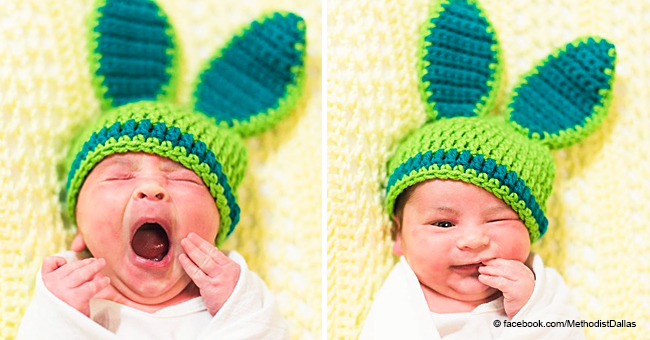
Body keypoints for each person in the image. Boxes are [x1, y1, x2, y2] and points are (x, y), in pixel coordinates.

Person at [17, 0, 307, 338]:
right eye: (120, 175)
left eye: (182, 177)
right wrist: (59, 318)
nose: (152, 187)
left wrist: (238, 305)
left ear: (219, 227)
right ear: (79, 227)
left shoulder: (236, 299)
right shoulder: (70, 298)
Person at [358, 0, 616, 339]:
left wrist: (530, 311)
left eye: (496, 220)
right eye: (443, 223)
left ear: (530, 229)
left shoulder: (541, 290)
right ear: (398, 235)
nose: (474, 240)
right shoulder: (401, 297)